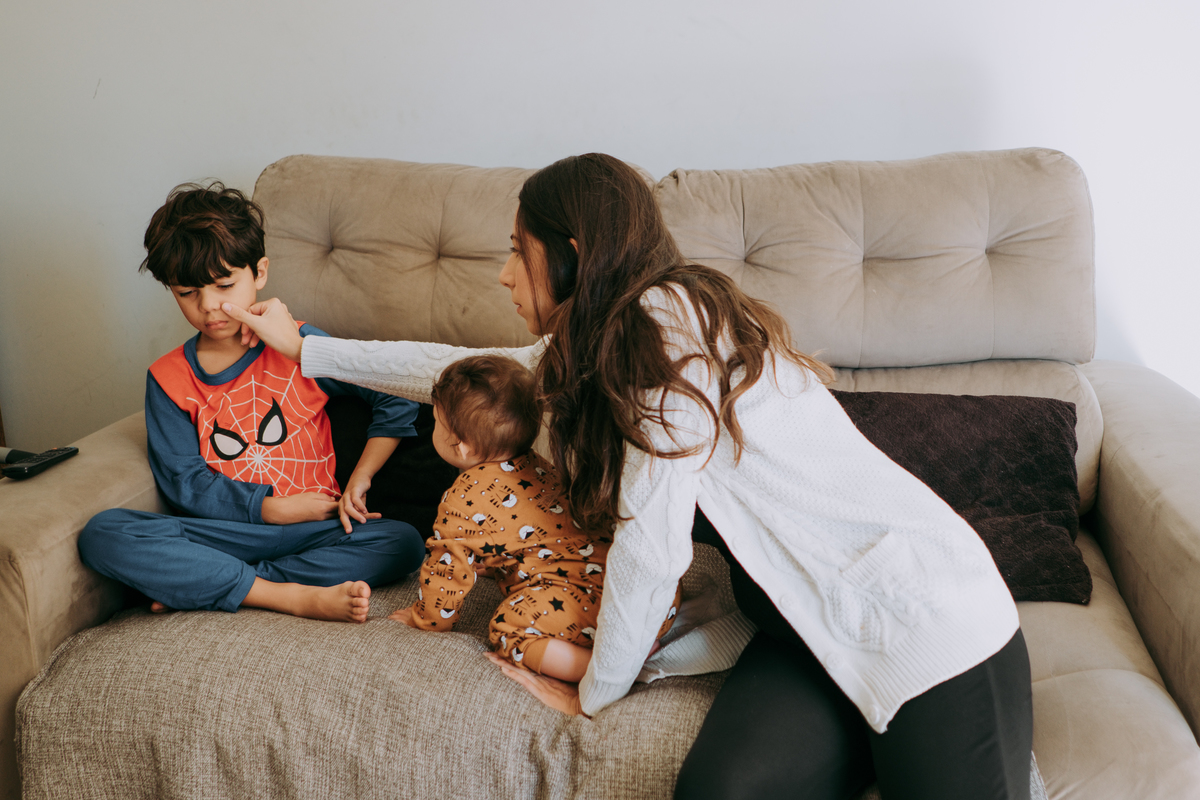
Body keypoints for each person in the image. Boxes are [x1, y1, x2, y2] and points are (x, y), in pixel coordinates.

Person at [225, 154, 1034, 799]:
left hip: (919, 619)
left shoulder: (661, 334)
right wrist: (310, 350)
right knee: (719, 792)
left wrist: (597, 691)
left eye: (517, 251)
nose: (504, 275)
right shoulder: (603, 340)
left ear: (571, 257)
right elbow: (470, 373)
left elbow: (651, 548)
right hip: (802, 629)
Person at [78, 182, 426, 623]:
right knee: (104, 533)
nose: (209, 306)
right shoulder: (168, 379)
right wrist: (270, 508)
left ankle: (217, 583)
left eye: (225, 284)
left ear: (259, 273)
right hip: (225, 534)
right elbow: (184, 482)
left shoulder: (298, 343)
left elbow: (394, 393)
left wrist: (361, 477)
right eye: (187, 293)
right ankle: (286, 595)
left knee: (403, 542)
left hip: (315, 530)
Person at [388, 354, 679, 680]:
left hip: (598, 613)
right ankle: (638, 643)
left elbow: (445, 576)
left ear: (462, 446)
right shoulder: (539, 465)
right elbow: (532, 535)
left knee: (508, 629)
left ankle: (610, 668)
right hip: (652, 598)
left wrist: (423, 620)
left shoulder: (462, 499)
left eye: (437, 422)